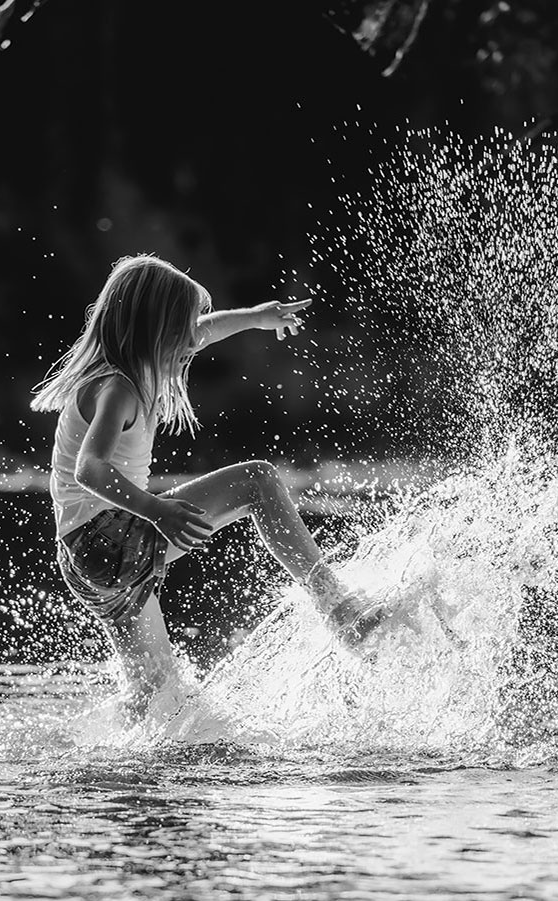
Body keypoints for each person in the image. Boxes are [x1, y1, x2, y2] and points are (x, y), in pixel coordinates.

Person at [32, 253, 387, 712]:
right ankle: (340, 610)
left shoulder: (127, 368)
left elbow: (209, 329)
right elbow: (90, 469)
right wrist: (157, 510)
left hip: (84, 557)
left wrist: (257, 318)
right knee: (258, 481)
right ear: (154, 330)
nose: (192, 342)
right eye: (184, 331)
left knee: (159, 697)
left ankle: (131, 773)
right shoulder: (117, 388)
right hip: (110, 536)